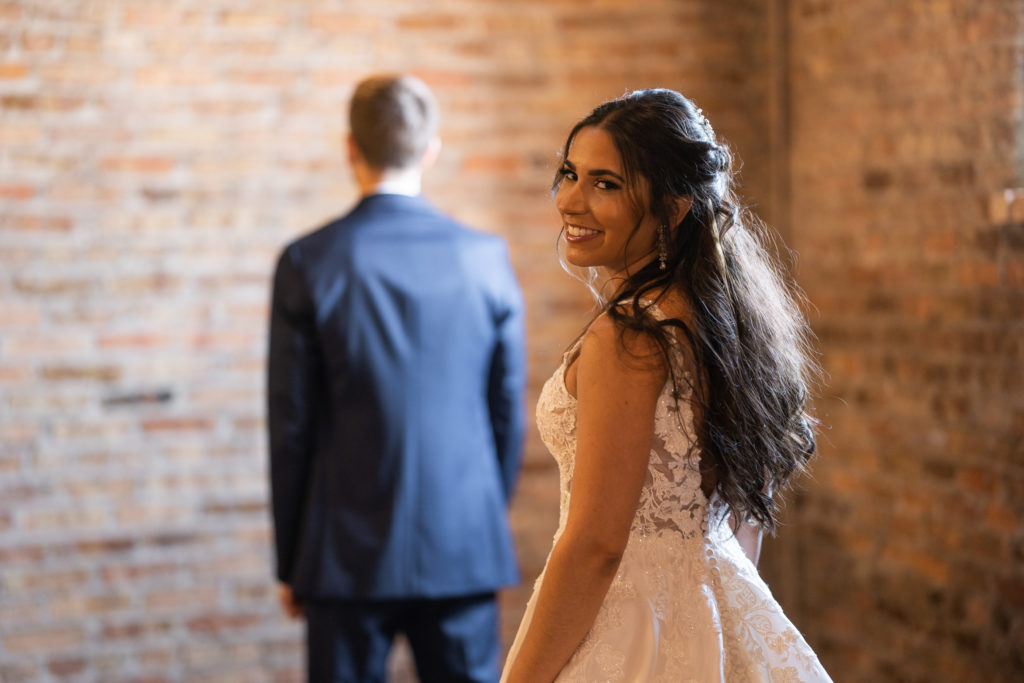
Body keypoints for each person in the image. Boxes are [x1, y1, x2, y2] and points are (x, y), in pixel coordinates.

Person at [500, 89, 832, 682]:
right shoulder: (726, 319)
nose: (571, 200)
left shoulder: (628, 335)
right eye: (571, 174)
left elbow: (597, 544)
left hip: (629, 629)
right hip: (721, 600)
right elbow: (743, 515)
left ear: (673, 208)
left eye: (606, 184)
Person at [267, 74, 527, 683]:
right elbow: (507, 410)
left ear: (349, 148)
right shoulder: (484, 257)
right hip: (463, 542)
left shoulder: (309, 260)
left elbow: (291, 425)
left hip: (342, 552)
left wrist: (293, 561)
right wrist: (481, 519)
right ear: (429, 150)